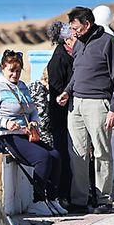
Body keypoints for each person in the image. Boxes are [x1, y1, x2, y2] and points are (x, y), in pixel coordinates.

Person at [58, 5, 114, 214]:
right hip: (75, 104)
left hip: (99, 104)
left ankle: (104, 199)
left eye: (76, 28)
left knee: (101, 152)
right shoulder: (78, 44)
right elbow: (77, 72)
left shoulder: (109, 42)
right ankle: (79, 200)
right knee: (77, 153)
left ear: (87, 24)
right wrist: (67, 91)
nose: (73, 32)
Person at [0, 50, 59, 215]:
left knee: (55, 155)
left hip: (24, 133)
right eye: (11, 70)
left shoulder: (22, 86)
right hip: (2, 136)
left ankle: (52, 199)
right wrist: (5, 123)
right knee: (42, 157)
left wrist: (34, 121)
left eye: (17, 70)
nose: (14, 74)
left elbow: (32, 110)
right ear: (3, 68)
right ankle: (37, 201)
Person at [42, 21, 75, 205]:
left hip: (67, 116)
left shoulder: (69, 56)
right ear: (66, 40)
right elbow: (57, 89)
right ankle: (64, 195)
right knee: (63, 154)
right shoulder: (59, 59)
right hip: (61, 117)